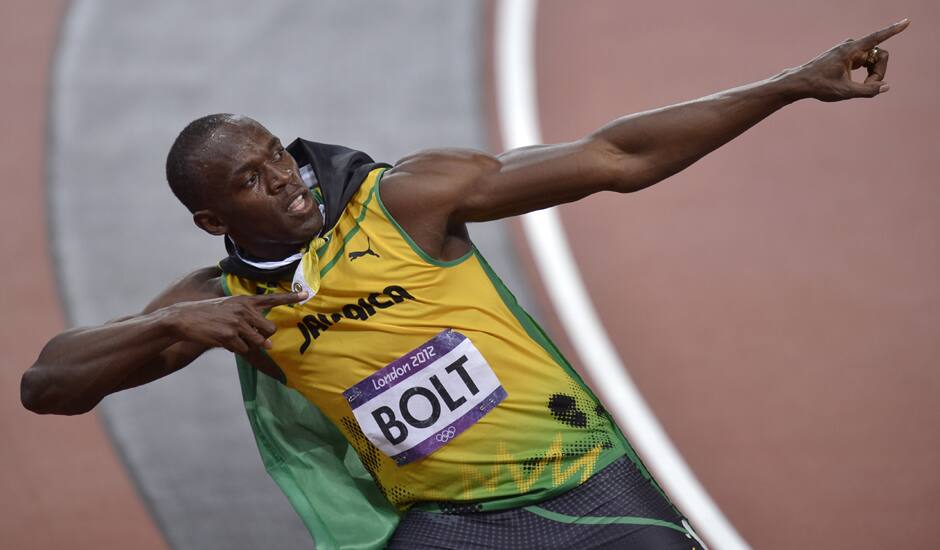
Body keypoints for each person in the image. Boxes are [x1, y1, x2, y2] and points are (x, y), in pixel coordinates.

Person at [21, 20, 907, 550]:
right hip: (438, 528)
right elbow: (47, 385)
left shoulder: (406, 200)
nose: (285, 178)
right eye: (251, 183)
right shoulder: (218, 302)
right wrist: (174, 330)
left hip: (585, 487)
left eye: (277, 156)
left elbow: (613, 158)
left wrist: (792, 86)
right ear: (214, 222)